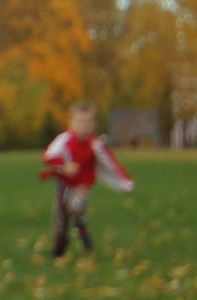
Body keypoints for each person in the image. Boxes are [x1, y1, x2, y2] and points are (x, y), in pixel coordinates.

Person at [39, 99, 133, 256]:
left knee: (76, 207)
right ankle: (59, 247)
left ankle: (82, 227)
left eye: (88, 122)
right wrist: (64, 165)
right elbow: (49, 156)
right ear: (72, 123)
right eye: (80, 121)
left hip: (82, 184)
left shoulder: (96, 144)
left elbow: (111, 163)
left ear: (94, 125)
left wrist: (125, 181)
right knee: (61, 217)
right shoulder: (64, 139)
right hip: (64, 183)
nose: (84, 125)